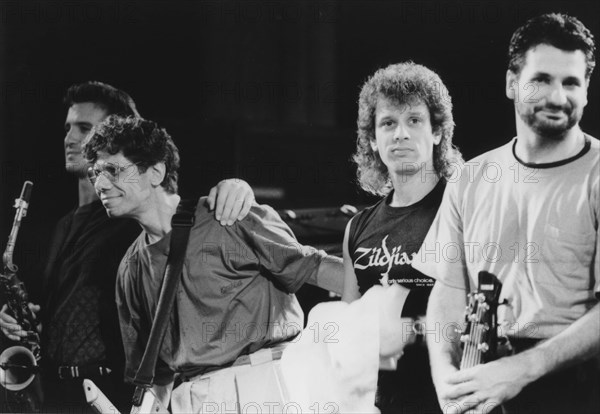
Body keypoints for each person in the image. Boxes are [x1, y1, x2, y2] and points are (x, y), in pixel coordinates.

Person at [0, 81, 255, 413]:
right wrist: (22, 318)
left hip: (115, 390)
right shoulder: (64, 225)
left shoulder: (132, 213)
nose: (70, 138)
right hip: (59, 391)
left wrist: (236, 187)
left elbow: (182, 209)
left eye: (84, 128)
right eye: (67, 127)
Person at [82, 115, 344, 412]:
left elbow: (315, 267)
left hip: (269, 385)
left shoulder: (228, 214)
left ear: (155, 172)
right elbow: (157, 374)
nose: (100, 184)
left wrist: (389, 283)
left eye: (113, 170)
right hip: (194, 400)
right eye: (95, 173)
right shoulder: (130, 269)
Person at [414, 13, 599, 414]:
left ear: (586, 91)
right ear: (512, 84)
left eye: (571, 83)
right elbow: (447, 291)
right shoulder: (470, 177)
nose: (557, 96)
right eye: (541, 80)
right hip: (481, 375)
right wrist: (444, 373)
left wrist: (522, 369)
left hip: (573, 387)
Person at [341, 62, 463, 413]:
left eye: (414, 121)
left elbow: (484, 318)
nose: (400, 134)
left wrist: (409, 330)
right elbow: (351, 332)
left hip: (447, 403)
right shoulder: (358, 228)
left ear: (437, 132)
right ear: (373, 140)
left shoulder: (461, 208)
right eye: (388, 123)